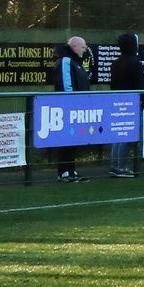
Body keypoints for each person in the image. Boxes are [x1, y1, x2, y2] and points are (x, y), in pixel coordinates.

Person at [49, 36, 93, 182]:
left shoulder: (76, 63)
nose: (85, 49)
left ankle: (71, 170)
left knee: (73, 140)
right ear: (74, 46)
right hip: (69, 108)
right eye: (83, 46)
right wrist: (73, 105)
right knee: (66, 140)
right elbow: (67, 86)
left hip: (78, 109)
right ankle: (63, 172)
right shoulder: (66, 61)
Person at [107, 32, 144, 178]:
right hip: (132, 104)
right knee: (128, 136)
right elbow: (139, 86)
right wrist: (142, 102)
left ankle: (115, 165)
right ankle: (120, 166)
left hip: (118, 103)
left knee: (118, 136)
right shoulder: (135, 63)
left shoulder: (116, 63)